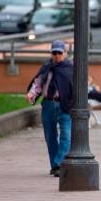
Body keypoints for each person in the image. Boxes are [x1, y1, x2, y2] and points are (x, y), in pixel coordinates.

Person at [26, 40, 73, 177]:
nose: (57, 55)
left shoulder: (70, 68)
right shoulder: (46, 67)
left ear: (64, 53)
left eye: (59, 52)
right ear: (51, 53)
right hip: (48, 104)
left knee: (67, 135)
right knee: (50, 136)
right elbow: (38, 83)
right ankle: (54, 165)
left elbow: (74, 86)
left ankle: (60, 162)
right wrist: (31, 94)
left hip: (65, 105)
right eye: (54, 52)